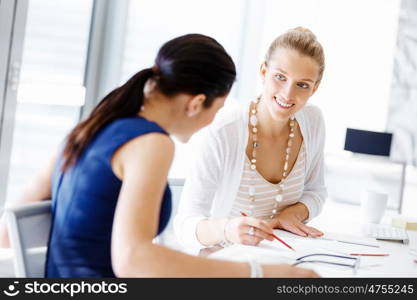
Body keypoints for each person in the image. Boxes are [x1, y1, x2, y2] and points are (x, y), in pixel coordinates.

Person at [0, 34, 318, 278]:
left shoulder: (89, 128)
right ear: (196, 104)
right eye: (217, 109)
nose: (213, 121)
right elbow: (134, 260)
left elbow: (6, 234)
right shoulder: (152, 144)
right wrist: (259, 273)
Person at [174, 27, 327, 253]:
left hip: (282, 261)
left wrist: (292, 214)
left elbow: (316, 192)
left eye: (302, 85)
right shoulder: (225, 130)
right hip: (224, 263)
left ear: (314, 89)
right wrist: (227, 229)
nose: (287, 94)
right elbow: (184, 225)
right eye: (280, 77)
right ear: (264, 72)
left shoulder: (312, 121)